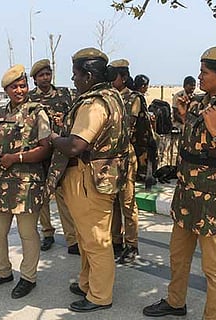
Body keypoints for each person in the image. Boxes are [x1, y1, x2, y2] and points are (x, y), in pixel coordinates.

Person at [143, 46, 216, 319]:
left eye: (205, 72)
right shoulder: (205, 103)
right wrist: (185, 116)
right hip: (188, 192)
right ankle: (175, 302)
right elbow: (198, 146)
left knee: (214, 267)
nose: (199, 76)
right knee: (178, 255)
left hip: (215, 198)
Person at [45, 47, 129, 312]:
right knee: (86, 237)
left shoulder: (94, 103)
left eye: (76, 74)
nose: (73, 80)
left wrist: (53, 138)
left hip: (88, 179)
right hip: (100, 175)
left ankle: (99, 296)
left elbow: (75, 145)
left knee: (95, 239)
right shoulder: (113, 96)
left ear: (89, 75)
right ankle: (87, 282)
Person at [0, 64, 51, 298]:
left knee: (28, 233)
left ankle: (28, 277)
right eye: (14, 87)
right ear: (6, 90)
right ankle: (3, 272)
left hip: (26, 183)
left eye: (23, 86)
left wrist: (16, 157)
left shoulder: (36, 112)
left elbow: (45, 149)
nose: (19, 90)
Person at [28, 58, 79, 254]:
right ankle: (47, 233)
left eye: (48, 74)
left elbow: (74, 116)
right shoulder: (30, 99)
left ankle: (72, 238)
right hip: (41, 152)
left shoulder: (65, 94)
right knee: (42, 196)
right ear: (35, 79)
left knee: (63, 196)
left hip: (61, 152)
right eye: (41, 75)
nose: (45, 78)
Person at [109, 58, 140, 263]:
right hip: (110, 159)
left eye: (114, 77)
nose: (111, 81)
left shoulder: (133, 98)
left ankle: (131, 244)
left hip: (125, 157)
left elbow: (128, 127)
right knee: (113, 203)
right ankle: (115, 240)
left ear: (124, 77)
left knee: (127, 203)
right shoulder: (109, 97)